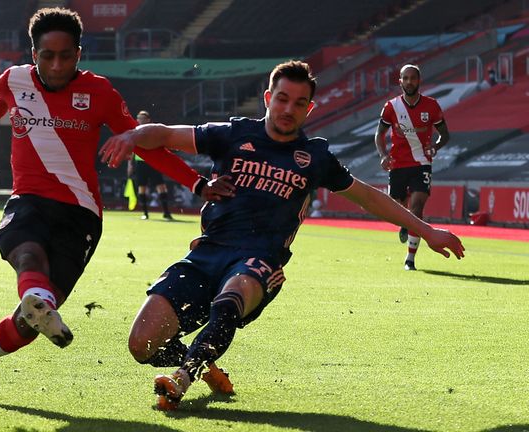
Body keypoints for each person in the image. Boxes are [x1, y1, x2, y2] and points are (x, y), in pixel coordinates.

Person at [99, 60, 465, 410]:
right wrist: (132, 134)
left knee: (232, 298)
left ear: (310, 108)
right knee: (141, 344)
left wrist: (427, 230)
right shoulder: (233, 134)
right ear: (267, 98)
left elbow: (368, 196)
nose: (289, 109)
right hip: (208, 253)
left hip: (260, 262)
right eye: (283, 98)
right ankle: (204, 363)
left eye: (299, 103)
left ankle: (184, 376)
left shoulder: (315, 157)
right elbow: (164, 135)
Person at [0, 7, 230, 400]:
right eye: (46, 56)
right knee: (26, 255)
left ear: (79, 53)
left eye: (65, 55)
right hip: (29, 201)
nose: (56, 65)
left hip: (81, 213)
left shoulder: (101, 93)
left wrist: (197, 182)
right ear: (33, 52)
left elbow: (145, 144)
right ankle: (38, 299)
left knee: (27, 326)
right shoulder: (14, 81)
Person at [374, 64, 449, 271]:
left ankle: (410, 259)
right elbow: (378, 134)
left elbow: (445, 134)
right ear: (400, 81)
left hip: (422, 163)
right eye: (405, 78)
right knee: (396, 206)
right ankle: (404, 222)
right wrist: (382, 155)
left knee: (417, 209)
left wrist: (435, 146)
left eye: (412, 78)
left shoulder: (432, 106)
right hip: (398, 164)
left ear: (419, 80)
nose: (409, 82)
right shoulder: (391, 107)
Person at [128, 110, 173, 220]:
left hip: (153, 162)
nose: (141, 120)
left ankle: (166, 212)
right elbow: (132, 150)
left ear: (148, 120)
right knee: (142, 187)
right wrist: (130, 164)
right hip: (140, 164)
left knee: (161, 186)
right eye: (139, 118)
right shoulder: (134, 131)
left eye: (143, 118)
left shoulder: (153, 130)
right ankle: (145, 213)